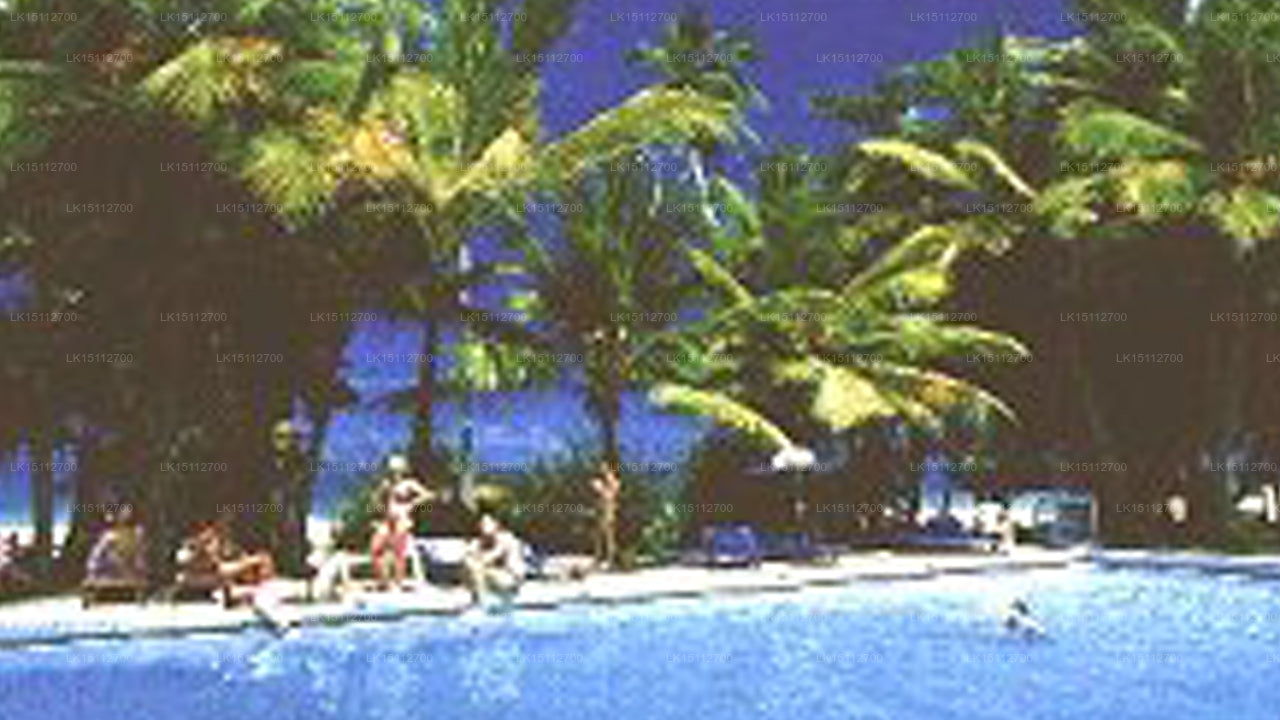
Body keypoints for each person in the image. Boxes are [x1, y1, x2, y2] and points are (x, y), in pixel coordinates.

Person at [370, 454, 434, 591]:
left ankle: (398, 582)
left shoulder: (409, 484)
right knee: (376, 548)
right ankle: (383, 580)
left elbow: (428, 495)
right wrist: (379, 506)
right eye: (391, 470)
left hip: (402, 519)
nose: (394, 473)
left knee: (398, 551)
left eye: (396, 470)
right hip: (387, 519)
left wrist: (412, 504)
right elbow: (376, 499)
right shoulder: (386, 483)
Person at [462, 513, 526, 606]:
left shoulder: (507, 539)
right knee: (472, 567)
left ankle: (482, 602)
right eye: (482, 524)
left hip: (510, 578)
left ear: (496, 524)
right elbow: (468, 558)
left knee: (477, 568)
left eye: (488, 523)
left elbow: (494, 556)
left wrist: (480, 560)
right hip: (489, 578)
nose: (484, 527)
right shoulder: (477, 542)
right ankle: (480, 599)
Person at [85, 505, 147, 583]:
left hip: (129, 567)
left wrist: (140, 565)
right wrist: (92, 570)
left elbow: (139, 550)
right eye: (123, 512)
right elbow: (97, 553)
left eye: (128, 512)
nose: (126, 514)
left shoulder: (137, 531)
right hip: (111, 569)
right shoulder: (110, 534)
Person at [590, 462, 620, 569]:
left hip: (608, 511)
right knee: (599, 536)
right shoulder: (598, 482)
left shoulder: (612, 482)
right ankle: (599, 558)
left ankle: (610, 559)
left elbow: (611, 494)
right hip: (601, 511)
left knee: (609, 536)